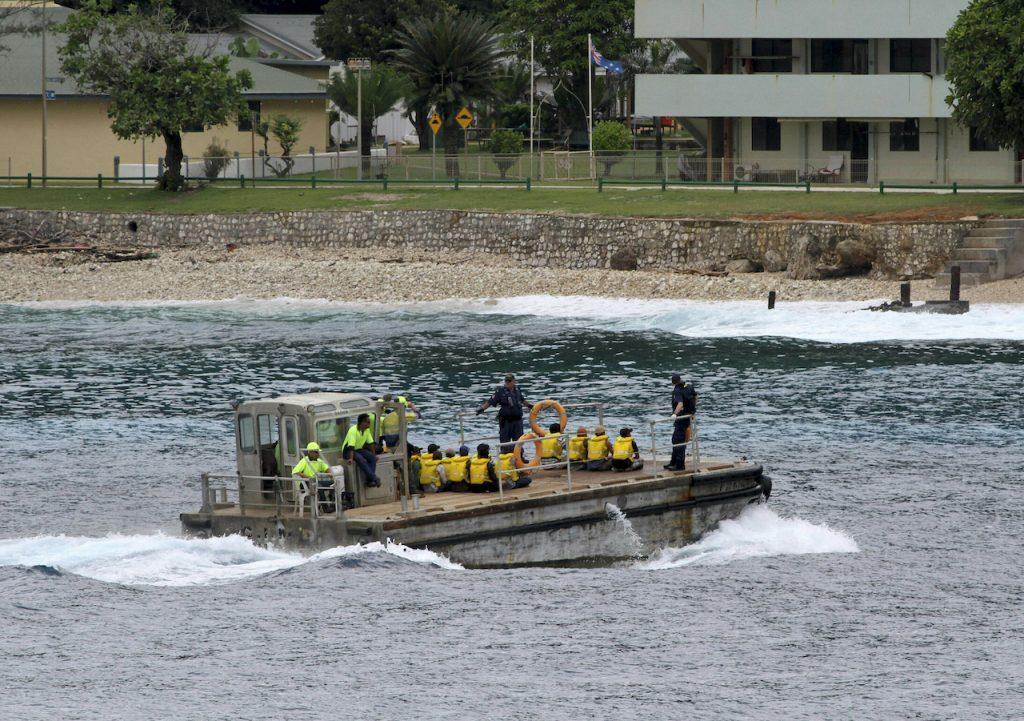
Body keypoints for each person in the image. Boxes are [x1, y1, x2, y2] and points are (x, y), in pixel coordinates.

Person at [476, 373, 532, 443]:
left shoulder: (517, 389)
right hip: (506, 422)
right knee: (505, 442)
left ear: (514, 381)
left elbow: (522, 400)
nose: (507, 383)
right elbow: (490, 401)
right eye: (506, 381)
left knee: (519, 441)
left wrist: (530, 406)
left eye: (509, 381)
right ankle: (505, 453)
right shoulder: (500, 391)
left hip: (517, 421)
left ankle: (519, 453)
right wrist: (482, 409)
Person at [666, 374, 698, 471]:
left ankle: (679, 466)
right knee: (675, 440)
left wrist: (675, 414)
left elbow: (680, 404)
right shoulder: (688, 386)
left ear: (673, 382)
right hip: (688, 416)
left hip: (681, 417)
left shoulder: (677, 390)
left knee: (679, 441)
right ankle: (673, 462)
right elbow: (696, 397)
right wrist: (692, 410)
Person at [291, 442, 333, 511]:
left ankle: (333, 504)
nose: (318, 454)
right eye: (316, 452)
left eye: (318, 452)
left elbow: (326, 468)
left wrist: (331, 475)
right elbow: (295, 472)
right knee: (320, 486)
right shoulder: (304, 461)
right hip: (305, 484)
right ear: (311, 452)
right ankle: (325, 508)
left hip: (315, 482)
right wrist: (308, 478)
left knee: (333, 483)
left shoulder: (319, 461)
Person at [342, 413, 380, 487]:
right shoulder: (353, 430)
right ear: (362, 423)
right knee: (361, 459)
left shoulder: (366, 430)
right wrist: (351, 458)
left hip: (358, 449)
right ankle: (374, 478)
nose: (369, 425)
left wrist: (374, 455)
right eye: (368, 423)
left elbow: (371, 443)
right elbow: (351, 446)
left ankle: (370, 481)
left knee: (372, 458)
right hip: (348, 451)